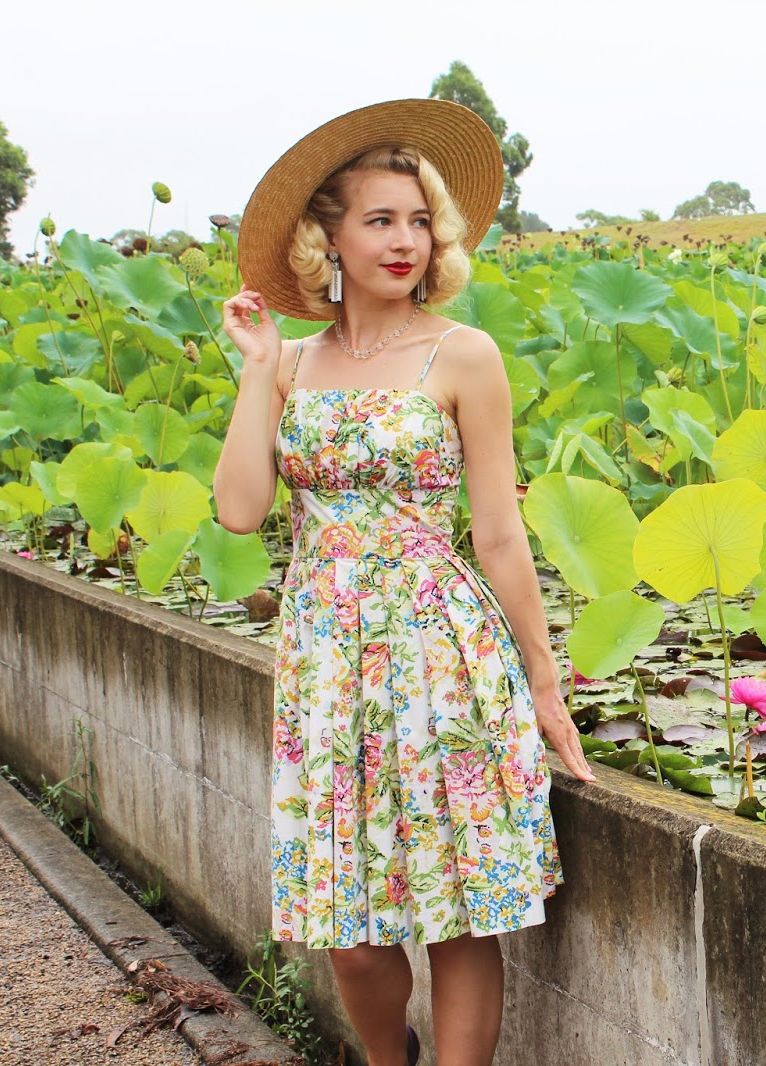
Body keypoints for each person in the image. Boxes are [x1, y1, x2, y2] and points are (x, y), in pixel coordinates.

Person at [211, 98, 597, 1066]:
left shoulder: (462, 353)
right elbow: (240, 512)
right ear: (324, 237)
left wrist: (543, 682)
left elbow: (500, 536)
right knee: (348, 927)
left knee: (462, 905)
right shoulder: (290, 364)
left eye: (419, 220)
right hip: (325, 659)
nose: (405, 241)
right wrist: (257, 371)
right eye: (380, 219)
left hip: (441, 645)